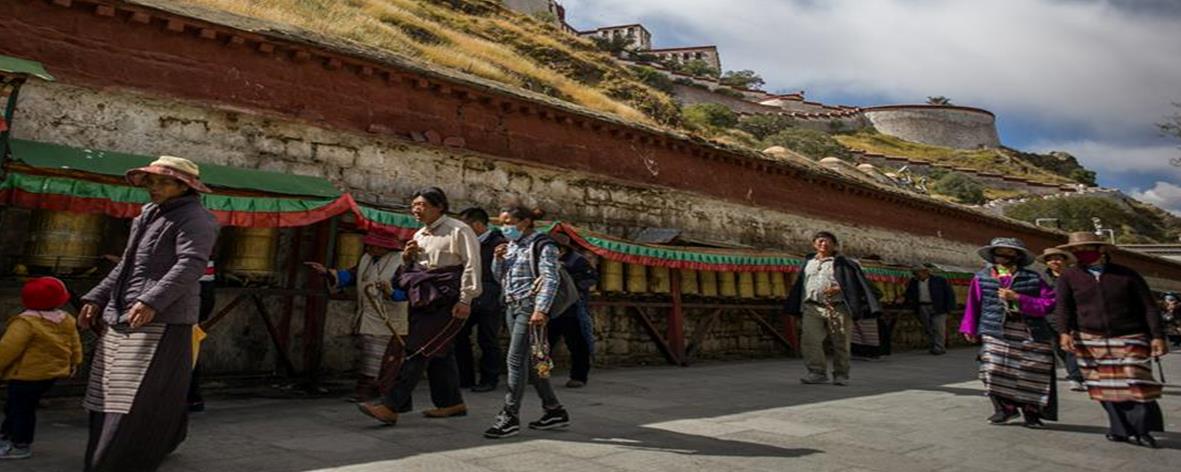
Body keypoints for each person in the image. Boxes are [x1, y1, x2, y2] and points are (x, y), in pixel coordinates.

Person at [79, 156, 218, 471]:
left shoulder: (197, 218)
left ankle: (118, 461)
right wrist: (98, 297)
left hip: (164, 319)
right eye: (151, 181)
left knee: (135, 395)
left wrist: (152, 301)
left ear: (184, 186)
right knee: (107, 390)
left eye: (163, 181)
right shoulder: (148, 215)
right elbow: (128, 264)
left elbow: (190, 264)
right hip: (124, 312)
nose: (153, 188)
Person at [358, 187, 480, 425]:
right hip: (425, 299)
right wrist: (407, 257)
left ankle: (392, 405)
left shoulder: (459, 230)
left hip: (448, 300)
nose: (416, 210)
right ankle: (451, 403)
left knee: (417, 349)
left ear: (439, 206)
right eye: (414, 205)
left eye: (422, 205)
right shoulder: (420, 234)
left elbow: (471, 265)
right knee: (439, 352)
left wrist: (466, 299)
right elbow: (415, 270)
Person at [1054, 232, 1168, 448]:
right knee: (1104, 386)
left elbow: (1149, 307)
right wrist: (1064, 332)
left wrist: (1157, 336)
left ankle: (1143, 430)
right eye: (1076, 251)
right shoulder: (1069, 277)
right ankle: (1120, 429)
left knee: (1137, 383)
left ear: (1101, 249)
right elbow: (1063, 308)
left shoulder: (1127, 275)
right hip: (1090, 338)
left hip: (1130, 336)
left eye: (1086, 249)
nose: (1080, 253)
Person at [484, 207, 569, 438]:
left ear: (525, 222)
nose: (504, 228)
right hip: (512, 305)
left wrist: (541, 309)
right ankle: (553, 409)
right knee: (531, 362)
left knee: (514, 360)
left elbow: (550, 277)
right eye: (501, 223)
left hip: (530, 306)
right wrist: (497, 259)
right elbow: (499, 277)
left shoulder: (543, 245)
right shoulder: (511, 246)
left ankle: (509, 416)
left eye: (508, 222)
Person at [959, 237, 1058, 428]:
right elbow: (974, 304)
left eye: (1009, 252)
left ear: (1018, 256)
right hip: (995, 330)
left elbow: (1048, 304)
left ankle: (1031, 413)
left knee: (1032, 372)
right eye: (999, 252)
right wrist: (969, 328)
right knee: (993, 370)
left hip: (1029, 330)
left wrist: (1019, 298)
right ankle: (1005, 409)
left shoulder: (1033, 279)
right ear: (993, 255)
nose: (1003, 256)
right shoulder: (982, 277)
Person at [307, 228, 407, 402]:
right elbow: (351, 275)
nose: (369, 249)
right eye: (370, 245)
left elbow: (407, 293)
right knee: (369, 355)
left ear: (387, 248)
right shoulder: (367, 259)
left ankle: (381, 393)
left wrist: (390, 292)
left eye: (374, 246)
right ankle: (367, 391)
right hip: (369, 315)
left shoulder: (401, 263)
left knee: (384, 359)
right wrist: (328, 272)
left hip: (390, 319)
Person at [0, 277, 83, 460]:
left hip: (26, 375)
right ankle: (6, 435)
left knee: (20, 409)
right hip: (50, 375)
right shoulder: (66, 319)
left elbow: (8, 348)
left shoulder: (25, 323)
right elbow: (75, 343)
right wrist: (74, 362)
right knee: (19, 407)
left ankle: (19, 444)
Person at [785, 231, 882, 386]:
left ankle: (841, 374)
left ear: (834, 245)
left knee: (841, 342)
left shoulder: (845, 264)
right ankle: (817, 372)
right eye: (820, 241)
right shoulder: (808, 262)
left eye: (827, 241)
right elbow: (800, 285)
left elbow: (858, 285)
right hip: (812, 307)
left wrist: (840, 288)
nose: (823, 244)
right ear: (814, 244)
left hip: (838, 307)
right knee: (810, 340)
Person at [455, 207, 507, 393]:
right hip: (468, 297)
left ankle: (489, 379)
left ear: (476, 225)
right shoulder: (465, 243)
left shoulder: (499, 244)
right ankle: (465, 377)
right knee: (459, 337)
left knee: (488, 340)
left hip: (490, 299)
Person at [548, 233, 598, 388]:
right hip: (550, 307)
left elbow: (591, 279)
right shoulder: (546, 260)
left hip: (572, 308)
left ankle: (579, 376)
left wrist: (570, 283)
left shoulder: (577, 260)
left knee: (577, 343)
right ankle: (538, 373)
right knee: (545, 343)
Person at [1037, 248, 1086, 392]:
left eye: (1058, 258)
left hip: (1072, 316)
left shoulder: (1075, 276)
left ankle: (1075, 377)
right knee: (1058, 347)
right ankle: (1075, 371)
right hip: (1049, 316)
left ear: (1065, 261)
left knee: (1071, 345)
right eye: (1050, 259)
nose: (1054, 262)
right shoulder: (1042, 279)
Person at [902, 264, 956, 355]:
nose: (916, 275)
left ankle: (939, 347)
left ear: (925, 272)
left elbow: (949, 294)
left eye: (917, 273)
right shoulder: (914, 282)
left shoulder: (939, 280)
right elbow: (909, 294)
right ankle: (933, 345)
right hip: (922, 306)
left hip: (938, 307)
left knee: (938, 328)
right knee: (928, 328)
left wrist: (949, 308)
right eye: (914, 274)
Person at [186, 257, 217, 412]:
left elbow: (206, 294)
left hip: (187, 312)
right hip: (189, 311)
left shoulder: (198, 252)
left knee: (186, 353)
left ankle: (190, 397)